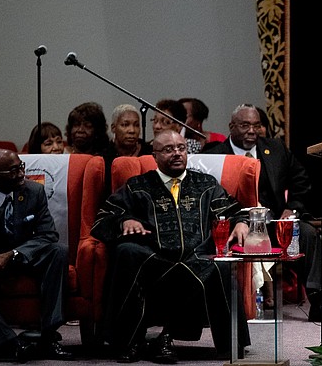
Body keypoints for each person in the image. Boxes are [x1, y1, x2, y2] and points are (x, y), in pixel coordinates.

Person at [91, 130, 251, 362]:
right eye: (168, 149)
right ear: (154, 155)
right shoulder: (138, 186)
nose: (177, 153)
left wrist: (241, 224)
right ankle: (129, 341)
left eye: (181, 148)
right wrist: (125, 220)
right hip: (153, 256)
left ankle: (226, 343)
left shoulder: (205, 184)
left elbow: (233, 211)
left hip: (197, 256)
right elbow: (102, 218)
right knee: (126, 252)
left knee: (221, 265)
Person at [202, 104, 322, 321]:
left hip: (274, 223)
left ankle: (318, 300)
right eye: (245, 125)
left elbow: (301, 180)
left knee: (307, 234)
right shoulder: (215, 156)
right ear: (231, 127)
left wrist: (291, 208)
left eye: (256, 125)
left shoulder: (275, 148)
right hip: (236, 224)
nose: (252, 130)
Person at [0, 149, 73, 360]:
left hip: (20, 256)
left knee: (58, 252)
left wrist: (12, 254)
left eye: (21, 167)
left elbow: (48, 234)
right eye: (13, 171)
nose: (22, 174)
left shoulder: (33, 191)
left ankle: (49, 337)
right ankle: (8, 343)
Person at [102, 105, 153, 191]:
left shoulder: (150, 152)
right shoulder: (104, 157)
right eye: (125, 125)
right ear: (113, 128)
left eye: (136, 125)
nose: (132, 130)